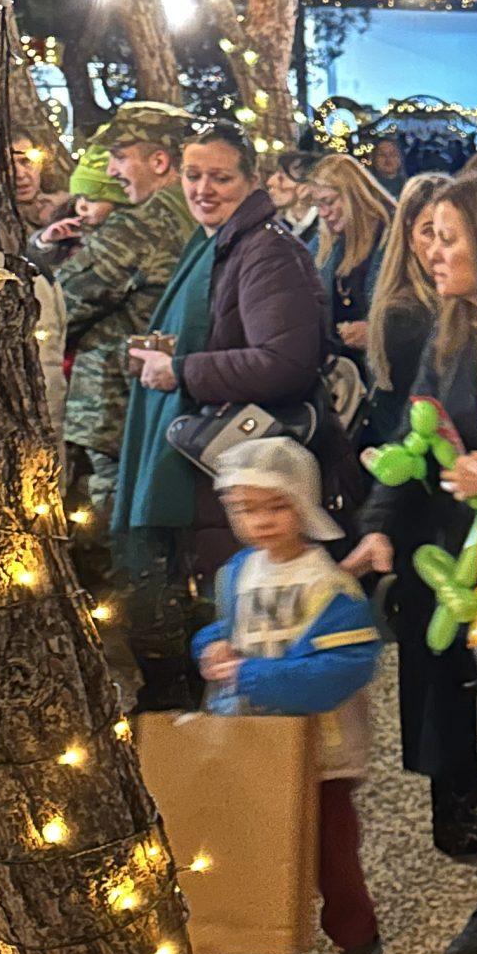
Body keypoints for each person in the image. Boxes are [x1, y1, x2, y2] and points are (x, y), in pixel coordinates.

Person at [344, 166, 477, 910]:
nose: (432, 251)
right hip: (470, 563)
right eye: (427, 236)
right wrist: (379, 526)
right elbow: (415, 431)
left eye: (449, 237)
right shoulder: (450, 329)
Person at [117, 121, 327, 694]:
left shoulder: (264, 252)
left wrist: (182, 369)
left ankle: (256, 769)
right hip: (217, 473)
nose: (203, 189)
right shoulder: (220, 243)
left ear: (252, 179)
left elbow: (285, 361)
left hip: (235, 470)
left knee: (241, 646)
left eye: (220, 177)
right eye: (192, 175)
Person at [193, 438, 386, 954]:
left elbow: (342, 668)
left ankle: (357, 938)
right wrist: (210, 646)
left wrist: (252, 675)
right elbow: (227, 626)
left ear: (303, 503)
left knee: (330, 849)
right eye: (246, 509)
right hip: (250, 736)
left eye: (275, 506)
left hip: (320, 748)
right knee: (242, 836)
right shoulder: (237, 573)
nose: (261, 522)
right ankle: (232, 935)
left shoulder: (329, 584)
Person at [42, 102, 198, 536]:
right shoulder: (195, 215)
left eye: (120, 156)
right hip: (165, 405)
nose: (111, 171)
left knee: (114, 537)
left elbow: (60, 306)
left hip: (114, 413)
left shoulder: (143, 225)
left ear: (159, 161)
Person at [361, 173, 444, 447]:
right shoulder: (405, 317)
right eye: (428, 231)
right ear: (409, 239)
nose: (438, 247)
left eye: (450, 231)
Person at [309, 152, 393, 377]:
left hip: (386, 371)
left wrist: (378, 334)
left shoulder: (392, 238)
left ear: (353, 195)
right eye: (318, 205)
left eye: (328, 202)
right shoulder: (322, 243)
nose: (323, 213)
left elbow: (420, 308)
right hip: (339, 373)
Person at [266, 147, 324, 253]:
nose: (270, 182)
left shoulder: (326, 230)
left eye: (282, 177)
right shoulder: (274, 228)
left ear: (305, 187)